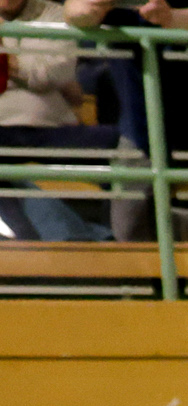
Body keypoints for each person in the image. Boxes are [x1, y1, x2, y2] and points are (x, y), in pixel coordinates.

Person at [62, 0, 188, 288]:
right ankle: (153, 301)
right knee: (126, 224)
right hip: (142, 127)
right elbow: (75, 12)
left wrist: (172, 16)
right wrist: (92, 10)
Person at [0, 0, 114, 242]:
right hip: (5, 130)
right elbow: (56, 80)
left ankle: (105, 236)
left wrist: (6, 61)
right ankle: (76, 237)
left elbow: (55, 73)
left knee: (124, 144)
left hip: (51, 128)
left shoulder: (55, 15)